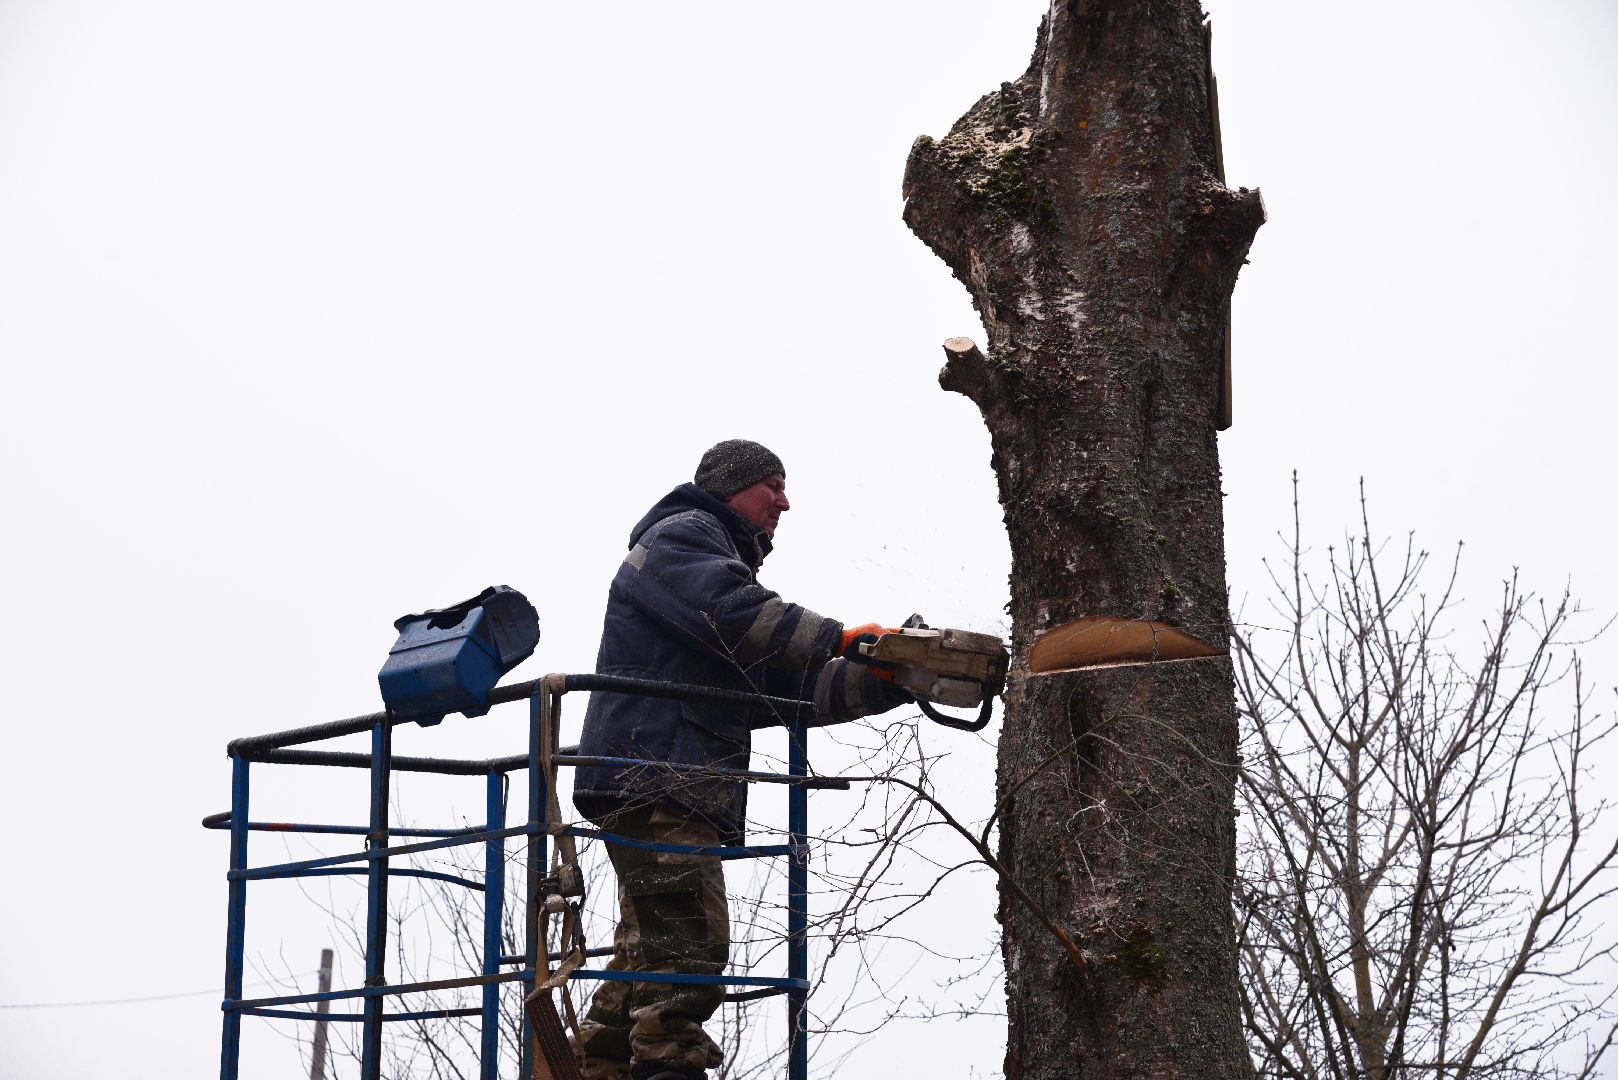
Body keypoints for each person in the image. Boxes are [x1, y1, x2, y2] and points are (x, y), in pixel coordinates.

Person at [569, 439, 908, 1080]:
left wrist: (890, 681)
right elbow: (739, 616)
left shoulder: (711, 571)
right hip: (656, 771)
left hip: (663, 773)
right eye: (772, 486)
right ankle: (668, 1061)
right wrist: (839, 637)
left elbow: (785, 688)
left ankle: (598, 1062)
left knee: (651, 937)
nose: (785, 502)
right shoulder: (682, 538)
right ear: (732, 487)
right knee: (689, 933)